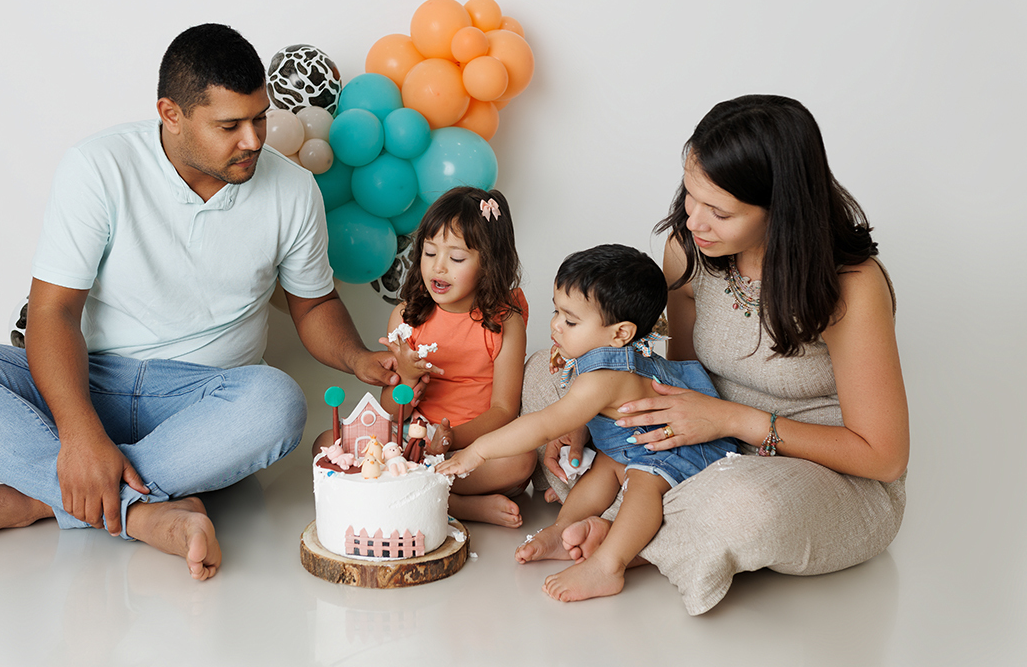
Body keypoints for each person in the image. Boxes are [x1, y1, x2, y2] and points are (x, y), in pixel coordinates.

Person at [0, 23, 398, 580]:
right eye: (230, 126)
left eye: (259, 117)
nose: (254, 140)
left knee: (278, 404)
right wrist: (81, 433)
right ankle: (140, 515)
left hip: (203, 400)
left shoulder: (293, 188)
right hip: (88, 380)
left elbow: (313, 305)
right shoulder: (99, 168)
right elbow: (53, 312)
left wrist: (357, 359)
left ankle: (35, 500)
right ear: (171, 113)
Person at [521, 95, 910, 615]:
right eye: (690, 195)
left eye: (720, 211)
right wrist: (581, 414)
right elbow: (674, 374)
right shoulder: (688, 250)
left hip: (819, 469)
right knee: (548, 374)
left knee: (743, 508)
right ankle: (636, 530)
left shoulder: (850, 287)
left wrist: (731, 419)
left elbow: (883, 456)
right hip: (703, 440)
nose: (694, 221)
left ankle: (619, 535)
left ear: (782, 210)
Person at [438, 244, 739, 600]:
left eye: (570, 320)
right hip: (632, 444)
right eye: (556, 311)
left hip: (680, 448)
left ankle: (609, 565)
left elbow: (543, 425)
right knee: (605, 471)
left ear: (620, 334)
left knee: (644, 480)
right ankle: (564, 529)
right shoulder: (601, 358)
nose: (555, 325)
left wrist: (478, 451)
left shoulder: (603, 378)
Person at [312, 186, 535, 527]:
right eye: (430, 253)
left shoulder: (505, 321)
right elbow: (390, 411)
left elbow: (504, 410)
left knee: (520, 461)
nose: (439, 268)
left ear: (489, 264)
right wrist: (406, 377)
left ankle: (412, 490)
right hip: (407, 440)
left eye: (456, 258)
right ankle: (454, 504)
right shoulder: (406, 317)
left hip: (468, 444)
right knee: (325, 444)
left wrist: (450, 440)